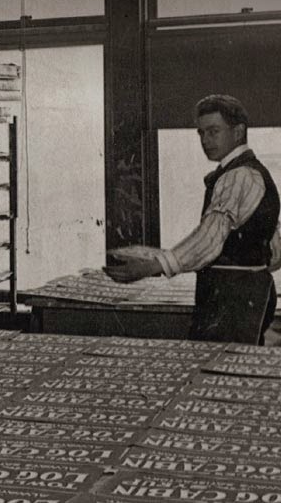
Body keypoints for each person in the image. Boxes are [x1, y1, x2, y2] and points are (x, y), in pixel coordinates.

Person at [105, 94, 281, 344]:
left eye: (213, 131)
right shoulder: (251, 172)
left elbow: (210, 238)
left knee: (217, 364)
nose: (205, 140)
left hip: (233, 299)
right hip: (246, 294)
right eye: (201, 133)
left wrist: (152, 267)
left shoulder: (238, 176)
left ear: (238, 132)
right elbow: (273, 248)